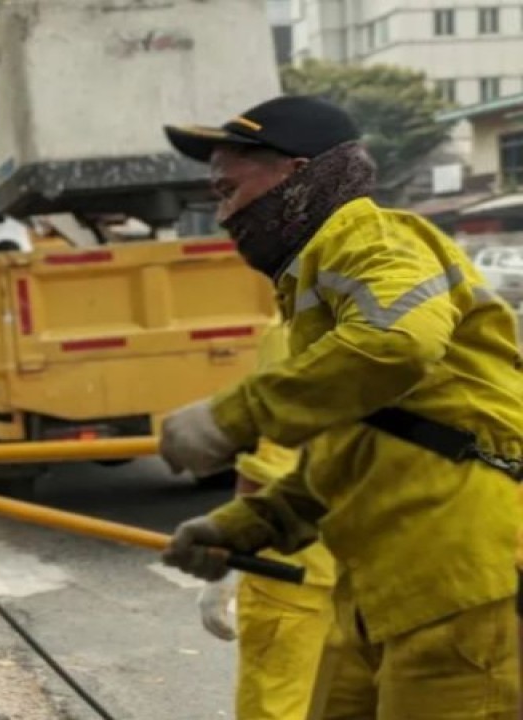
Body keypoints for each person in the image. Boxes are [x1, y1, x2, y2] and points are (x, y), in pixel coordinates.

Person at [157, 95, 523, 718]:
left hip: (460, 577)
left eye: (231, 176)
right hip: (381, 590)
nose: (219, 200)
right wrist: (240, 528)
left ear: (298, 173)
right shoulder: (311, 290)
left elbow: (399, 342)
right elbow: (349, 459)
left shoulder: (371, 236)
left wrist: (233, 416)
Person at [194, 322, 337, 720]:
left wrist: (226, 560)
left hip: (297, 573)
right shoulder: (433, 322)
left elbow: (271, 458)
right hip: (395, 574)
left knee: (278, 705)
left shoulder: (299, 328)